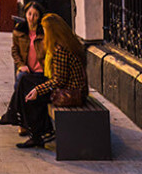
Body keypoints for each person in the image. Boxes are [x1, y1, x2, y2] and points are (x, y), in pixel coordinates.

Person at [15, 13, 88, 149]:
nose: (44, 33)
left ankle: (37, 134)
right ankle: (18, 118)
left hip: (70, 93)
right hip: (71, 88)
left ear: (52, 31)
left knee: (34, 96)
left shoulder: (60, 49)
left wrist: (38, 89)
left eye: (45, 30)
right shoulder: (66, 43)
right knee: (25, 80)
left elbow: (59, 80)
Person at [0, 1, 46, 134]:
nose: (32, 18)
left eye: (35, 15)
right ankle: (20, 121)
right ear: (25, 14)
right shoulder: (19, 30)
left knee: (22, 87)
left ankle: (13, 117)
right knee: (21, 81)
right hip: (27, 70)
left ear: (39, 17)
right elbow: (15, 51)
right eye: (29, 14)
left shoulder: (44, 32)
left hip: (41, 72)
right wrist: (21, 65)